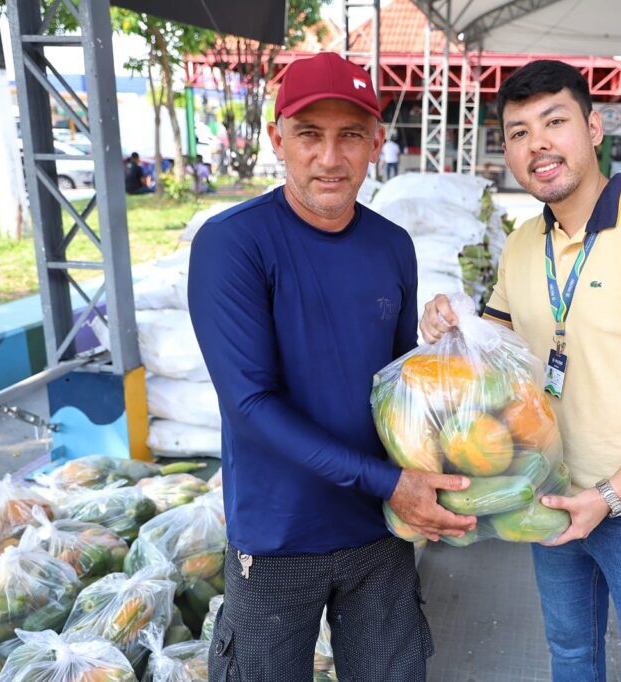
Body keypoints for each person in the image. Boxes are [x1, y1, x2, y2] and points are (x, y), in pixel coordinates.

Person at [420, 60, 621, 681]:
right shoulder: (522, 244)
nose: (537, 143)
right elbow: (497, 350)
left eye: (554, 121)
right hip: (553, 493)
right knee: (570, 657)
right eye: (518, 132)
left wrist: (610, 494)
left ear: (593, 128)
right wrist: (450, 320)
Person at [187, 52, 475, 682]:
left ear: (377, 142)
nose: (330, 157)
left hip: (379, 533)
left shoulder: (391, 244)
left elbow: (394, 390)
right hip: (278, 535)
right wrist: (388, 483)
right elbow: (251, 404)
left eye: (350, 136)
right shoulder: (233, 243)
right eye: (309, 134)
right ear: (277, 139)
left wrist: (444, 351)